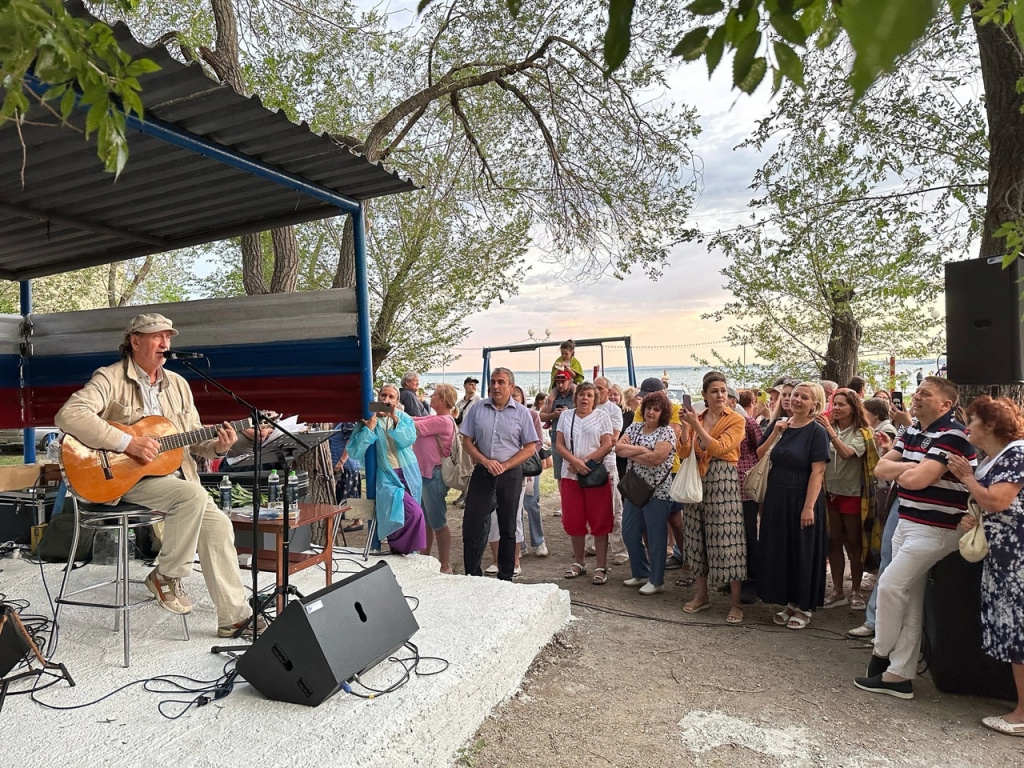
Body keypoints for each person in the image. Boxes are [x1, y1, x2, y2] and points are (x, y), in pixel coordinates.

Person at [54, 313, 255, 637]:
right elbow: (69, 415)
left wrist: (219, 447)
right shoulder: (110, 377)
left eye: (168, 337)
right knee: (192, 496)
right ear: (135, 341)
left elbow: (195, 442)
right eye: (157, 337)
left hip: (173, 478)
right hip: (119, 477)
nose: (165, 344)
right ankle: (164, 576)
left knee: (218, 524)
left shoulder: (178, 384)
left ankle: (234, 618)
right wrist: (127, 442)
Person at [854, 376, 976, 700]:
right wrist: (913, 466)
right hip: (908, 520)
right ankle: (900, 675)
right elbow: (881, 469)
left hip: (936, 529)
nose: (917, 397)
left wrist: (909, 469)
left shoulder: (952, 434)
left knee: (891, 585)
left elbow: (920, 480)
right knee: (910, 600)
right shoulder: (910, 431)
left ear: (945, 405)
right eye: (917, 392)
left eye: (926, 394)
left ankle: (880, 653)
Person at [946, 396, 1024, 735]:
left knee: (1018, 630)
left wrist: (967, 478)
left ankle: (1023, 715)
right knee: (1011, 627)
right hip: (1004, 553)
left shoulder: (1017, 454)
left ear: (990, 425)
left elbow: (998, 500)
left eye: (973, 421)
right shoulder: (997, 456)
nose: (967, 428)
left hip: (1017, 557)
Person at [756, 381, 830, 630]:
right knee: (782, 548)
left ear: (815, 404)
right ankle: (789, 600)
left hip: (802, 495)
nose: (797, 400)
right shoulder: (781, 426)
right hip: (777, 494)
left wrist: (809, 507)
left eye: (804, 397)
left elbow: (818, 472)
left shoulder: (817, 432)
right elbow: (760, 455)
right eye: (795, 395)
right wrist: (775, 433)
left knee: (803, 549)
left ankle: (805, 604)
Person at [677, 374, 747, 623]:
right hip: (698, 478)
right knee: (696, 536)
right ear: (704, 395)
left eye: (723, 391)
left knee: (728, 539)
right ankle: (701, 595)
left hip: (723, 480)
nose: (720, 395)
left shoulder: (736, 419)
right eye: (715, 391)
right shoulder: (699, 417)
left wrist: (696, 427)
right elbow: (685, 451)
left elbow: (719, 448)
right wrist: (686, 426)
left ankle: (735, 602)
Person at [460, 367, 539, 580]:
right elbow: (466, 441)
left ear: (510, 386)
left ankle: (505, 577)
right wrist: (485, 461)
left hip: (510, 473)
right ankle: (472, 575)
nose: (495, 386)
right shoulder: (477, 408)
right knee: (472, 525)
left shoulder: (522, 413)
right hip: (483, 472)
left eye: (501, 382)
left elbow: (530, 447)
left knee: (508, 527)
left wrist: (505, 466)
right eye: (493, 382)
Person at [347, 385, 427, 555]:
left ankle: (409, 553)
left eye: (391, 397)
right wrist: (368, 429)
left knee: (408, 512)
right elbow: (354, 451)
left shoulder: (403, 417)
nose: (386, 400)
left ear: (397, 401)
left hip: (409, 471)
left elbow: (408, 440)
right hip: (387, 475)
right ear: (377, 397)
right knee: (412, 512)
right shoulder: (368, 419)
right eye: (383, 395)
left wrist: (394, 419)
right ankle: (401, 548)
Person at [817, 389, 873, 610]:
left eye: (842, 404)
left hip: (852, 493)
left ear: (853, 407)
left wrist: (830, 431)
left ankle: (857, 590)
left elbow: (847, 453)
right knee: (834, 541)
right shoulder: (827, 429)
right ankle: (837, 589)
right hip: (830, 491)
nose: (837, 408)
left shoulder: (861, 432)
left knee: (854, 542)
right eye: (835, 404)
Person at [617, 390, 676, 594]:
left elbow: (657, 459)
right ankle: (640, 572)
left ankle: (656, 580)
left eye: (656, 409)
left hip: (657, 491)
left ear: (663, 413)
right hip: (635, 488)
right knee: (629, 531)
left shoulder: (666, 432)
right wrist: (642, 451)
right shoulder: (634, 427)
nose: (651, 412)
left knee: (656, 536)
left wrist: (633, 452)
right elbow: (618, 448)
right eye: (649, 408)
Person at [556, 382, 615, 584]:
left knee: (600, 520)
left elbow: (607, 443)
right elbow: (559, 444)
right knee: (573, 519)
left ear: (595, 399)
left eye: (590, 395)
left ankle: (601, 566)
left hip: (594, 475)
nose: (585, 398)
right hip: (570, 475)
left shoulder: (602, 417)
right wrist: (574, 462)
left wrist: (586, 463)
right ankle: (579, 562)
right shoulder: (566, 416)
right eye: (582, 394)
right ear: (576, 397)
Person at [412, 383, 460, 574]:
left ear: (442, 400)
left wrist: (395, 415)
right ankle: (427, 560)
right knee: (427, 521)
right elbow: (418, 418)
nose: (430, 397)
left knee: (438, 522)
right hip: (426, 474)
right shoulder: (438, 418)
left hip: (434, 475)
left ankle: (445, 565)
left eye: (433, 395)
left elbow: (415, 425)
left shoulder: (444, 421)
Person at [591, 377, 627, 564]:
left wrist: (594, 446)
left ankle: (620, 549)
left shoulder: (614, 411)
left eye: (599, 388)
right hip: (589, 462)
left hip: (607, 461)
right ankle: (592, 544)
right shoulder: (590, 408)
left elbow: (613, 438)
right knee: (592, 505)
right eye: (593, 388)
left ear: (607, 390)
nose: (596, 392)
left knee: (614, 506)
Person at [735, 388, 763, 602]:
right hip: (725, 487)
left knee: (748, 534)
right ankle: (736, 577)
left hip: (745, 485)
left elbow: (760, 448)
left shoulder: (747, 422)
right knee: (733, 535)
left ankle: (753, 581)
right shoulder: (713, 421)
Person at [540, 370, 576, 493]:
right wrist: (553, 415)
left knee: (575, 470)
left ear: (569, 382)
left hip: (574, 436)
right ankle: (564, 502)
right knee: (560, 473)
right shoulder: (553, 398)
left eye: (563, 382)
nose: (560, 385)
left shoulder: (576, 396)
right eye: (558, 382)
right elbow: (541, 416)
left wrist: (570, 412)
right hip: (557, 437)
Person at [330, 422, 364, 531]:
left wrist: (341, 461)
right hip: (340, 462)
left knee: (348, 495)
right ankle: (352, 520)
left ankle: (357, 521)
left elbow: (351, 442)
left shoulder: (347, 422)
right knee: (343, 494)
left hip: (346, 464)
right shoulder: (337, 422)